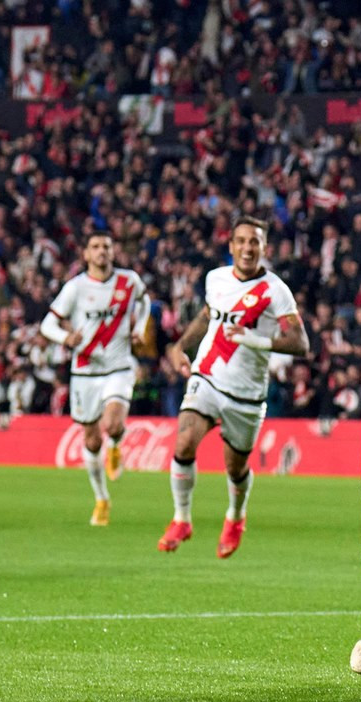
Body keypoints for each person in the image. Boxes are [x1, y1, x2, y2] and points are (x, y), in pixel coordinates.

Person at [157, 216, 310, 558]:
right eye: (240, 241)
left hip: (246, 392)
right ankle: (182, 518)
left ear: (264, 248)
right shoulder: (216, 279)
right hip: (207, 377)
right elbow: (206, 317)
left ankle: (235, 517)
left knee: (235, 467)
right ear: (231, 246)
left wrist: (255, 340)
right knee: (183, 441)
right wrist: (181, 346)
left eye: (254, 242)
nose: (247, 248)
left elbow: (300, 343)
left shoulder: (276, 291)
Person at [39, 231, 150, 525]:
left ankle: (115, 444)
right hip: (85, 371)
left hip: (119, 367)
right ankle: (102, 499)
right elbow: (47, 324)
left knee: (113, 423)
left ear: (113, 252)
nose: (102, 251)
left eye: (107, 247)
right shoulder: (75, 288)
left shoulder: (129, 281)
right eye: (96, 247)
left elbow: (145, 300)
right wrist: (66, 337)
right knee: (90, 439)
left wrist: (140, 328)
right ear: (86, 254)